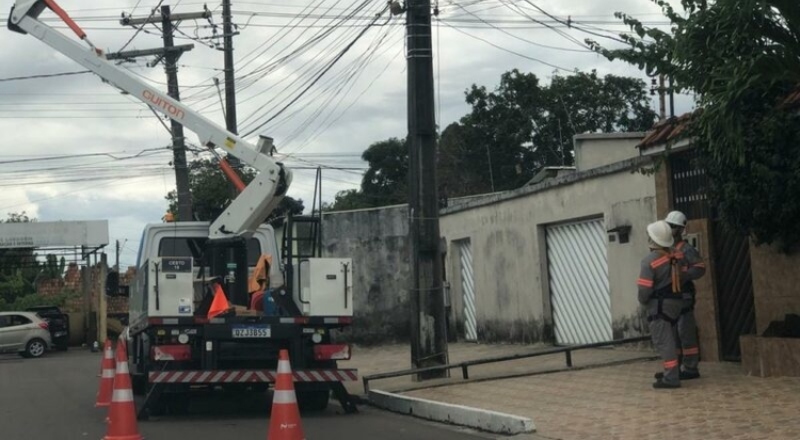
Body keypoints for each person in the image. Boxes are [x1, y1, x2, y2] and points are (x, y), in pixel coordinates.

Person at [638, 220, 684, 389]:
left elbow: (644, 290)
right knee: (672, 339)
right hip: (676, 302)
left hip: (659, 306)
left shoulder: (649, 261)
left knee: (664, 341)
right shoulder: (677, 255)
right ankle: (673, 371)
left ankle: (671, 377)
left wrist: (643, 302)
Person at [661, 210, 706, 380]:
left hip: (684, 297)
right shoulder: (666, 249)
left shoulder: (686, 249)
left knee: (685, 332)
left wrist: (684, 275)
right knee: (673, 335)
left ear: (680, 230)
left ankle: (691, 367)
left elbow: (700, 268)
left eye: (672, 227)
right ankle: (675, 368)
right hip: (670, 297)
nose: (669, 229)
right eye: (668, 226)